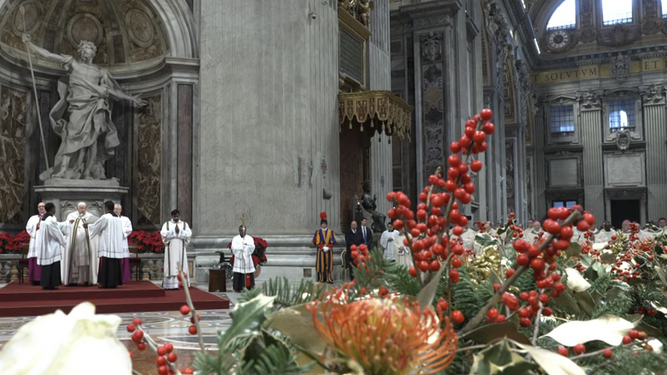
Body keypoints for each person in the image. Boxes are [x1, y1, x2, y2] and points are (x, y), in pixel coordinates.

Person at [22, 35, 146, 180]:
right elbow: (49, 56)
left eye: (89, 49)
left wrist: (131, 98)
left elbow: (111, 91)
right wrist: (29, 44)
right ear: (80, 52)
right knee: (72, 136)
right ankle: (63, 170)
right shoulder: (74, 64)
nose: (86, 52)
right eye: (84, 49)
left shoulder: (100, 72)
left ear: (93, 52)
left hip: (95, 107)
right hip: (78, 106)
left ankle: (87, 171)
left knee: (92, 142)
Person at [85, 201, 125, 288]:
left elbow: (97, 226)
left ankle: (106, 283)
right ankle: (114, 282)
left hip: (108, 245)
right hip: (116, 245)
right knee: (115, 264)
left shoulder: (105, 217)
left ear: (106, 208)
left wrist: (88, 226)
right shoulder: (118, 218)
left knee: (107, 263)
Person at [62, 202, 98, 286]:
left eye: (84, 208)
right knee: (74, 260)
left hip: (86, 244)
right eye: (81, 208)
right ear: (77, 208)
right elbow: (66, 227)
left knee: (86, 261)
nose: (82, 210)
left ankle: (86, 279)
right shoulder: (71, 216)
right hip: (74, 244)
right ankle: (73, 281)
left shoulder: (90, 216)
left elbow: (95, 227)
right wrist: (70, 223)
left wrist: (89, 226)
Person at [160, 209, 192, 290]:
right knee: (171, 265)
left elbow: (188, 234)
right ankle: (170, 284)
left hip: (180, 247)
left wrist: (180, 231)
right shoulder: (167, 224)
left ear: (179, 215)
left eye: (177, 216)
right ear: (171, 216)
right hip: (170, 248)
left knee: (181, 264)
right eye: (174, 216)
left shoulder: (184, 224)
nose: (176, 218)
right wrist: (174, 231)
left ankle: (182, 283)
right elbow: (163, 234)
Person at [38, 203, 67, 290]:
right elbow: (56, 233)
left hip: (46, 245)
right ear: (52, 209)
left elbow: (57, 226)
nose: (55, 210)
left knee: (47, 265)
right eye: (54, 208)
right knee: (53, 264)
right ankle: (53, 283)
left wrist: (66, 223)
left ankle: (46, 283)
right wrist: (63, 241)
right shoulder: (50, 220)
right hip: (52, 245)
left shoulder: (44, 219)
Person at [230, 224, 256, 292]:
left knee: (248, 272)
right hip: (239, 259)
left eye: (244, 230)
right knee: (238, 272)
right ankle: (238, 287)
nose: (242, 232)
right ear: (239, 231)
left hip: (247, 258)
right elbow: (234, 248)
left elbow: (252, 247)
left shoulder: (249, 238)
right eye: (241, 230)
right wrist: (241, 248)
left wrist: (246, 247)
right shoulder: (235, 238)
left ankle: (249, 286)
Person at [312, 212, 336, 284]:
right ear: (321, 224)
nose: (324, 225)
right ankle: (321, 278)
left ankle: (329, 278)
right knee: (321, 265)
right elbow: (316, 241)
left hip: (328, 251)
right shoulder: (318, 232)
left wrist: (328, 247)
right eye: (322, 224)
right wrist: (322, 247)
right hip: (321, 251)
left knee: (329, 265)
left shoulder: (331, 232)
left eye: (325, 224)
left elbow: (333, 240)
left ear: (326, 224)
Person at [26, 202, 46, 285]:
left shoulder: (50, 217)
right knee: (35, 258)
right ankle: (35, 279)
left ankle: (45, 279)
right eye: (39, 207)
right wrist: (36, 226)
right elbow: (28, 228)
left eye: (42, 206)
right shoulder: (33, 218)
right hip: (35, 241)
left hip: (45, 241)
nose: (41, 208)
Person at [114, 204, 133, 282]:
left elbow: (129, 229)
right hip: (113, 242)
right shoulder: (110, 219)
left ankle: (124, 278)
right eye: (114, 209)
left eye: (117, 209)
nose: (116, 210)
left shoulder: (125, 219)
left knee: (123, 260)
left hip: (122, 241)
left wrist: (121, 230)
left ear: (121, 210)